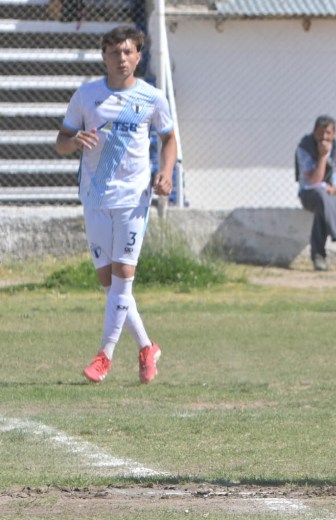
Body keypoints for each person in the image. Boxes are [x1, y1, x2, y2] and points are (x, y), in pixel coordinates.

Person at [55, 25, 176, 384]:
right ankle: (146, 346)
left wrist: (165, 173)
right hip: (95, 197)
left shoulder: (152, 97)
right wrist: (74, 139)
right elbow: (61, 141)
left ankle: (104, 356)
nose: (121, 58)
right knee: (109, 284)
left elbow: (169, 139)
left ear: (139, 56)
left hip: (133, 198)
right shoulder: (87, 96)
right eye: (114, 52)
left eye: (127, 52)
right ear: (104, 56)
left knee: (124, 276)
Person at [296, 116, 336, 271]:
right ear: (314, 132)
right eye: (320, 133)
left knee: (323, 206)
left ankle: (318, 257)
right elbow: (315, 181)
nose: (324, 137)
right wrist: (322, 156)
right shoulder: (305, 147)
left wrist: (334, 190)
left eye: (328, 133)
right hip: (309, 194)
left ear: (334, 133)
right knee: (322, 195)